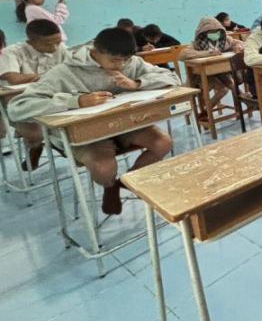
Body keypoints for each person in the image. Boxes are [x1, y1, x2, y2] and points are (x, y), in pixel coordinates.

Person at [8, 28, 179, 215]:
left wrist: (136, 83)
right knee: (104, 168)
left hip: (123, 125)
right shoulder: (64, 71)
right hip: (85, 134)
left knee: (163, 142)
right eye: (115, 60)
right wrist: (76, 101)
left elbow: (172, 77)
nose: (121, 65)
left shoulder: (132, 62)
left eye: (126, 60)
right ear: (95, 52)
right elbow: (18, 106)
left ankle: (126, 182)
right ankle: (110, 186)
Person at [0, 19, 67, 171]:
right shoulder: (12, 52)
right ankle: (37, 146)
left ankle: (55, 144)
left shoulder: (60, 49)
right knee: (35, 134)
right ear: (31, 41)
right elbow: (14, 78)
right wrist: (49, 76)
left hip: (51, 98)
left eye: (58, 42)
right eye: (48, 43)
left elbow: (73, 69)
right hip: (19, 101)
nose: (55, 47)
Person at [180, 17, 244, 120]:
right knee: (223, 89)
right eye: (211, 32)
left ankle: (240, 109)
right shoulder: (197, 43)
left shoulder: (225, 39)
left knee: (232, 84)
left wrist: (237, 47)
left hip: (221, 72)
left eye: (216, 31)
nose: (215, 34)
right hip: (203, 75)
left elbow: (238, 43)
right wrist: (207, 53)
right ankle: (206, 111)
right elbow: (183, 54)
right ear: (204, 33)